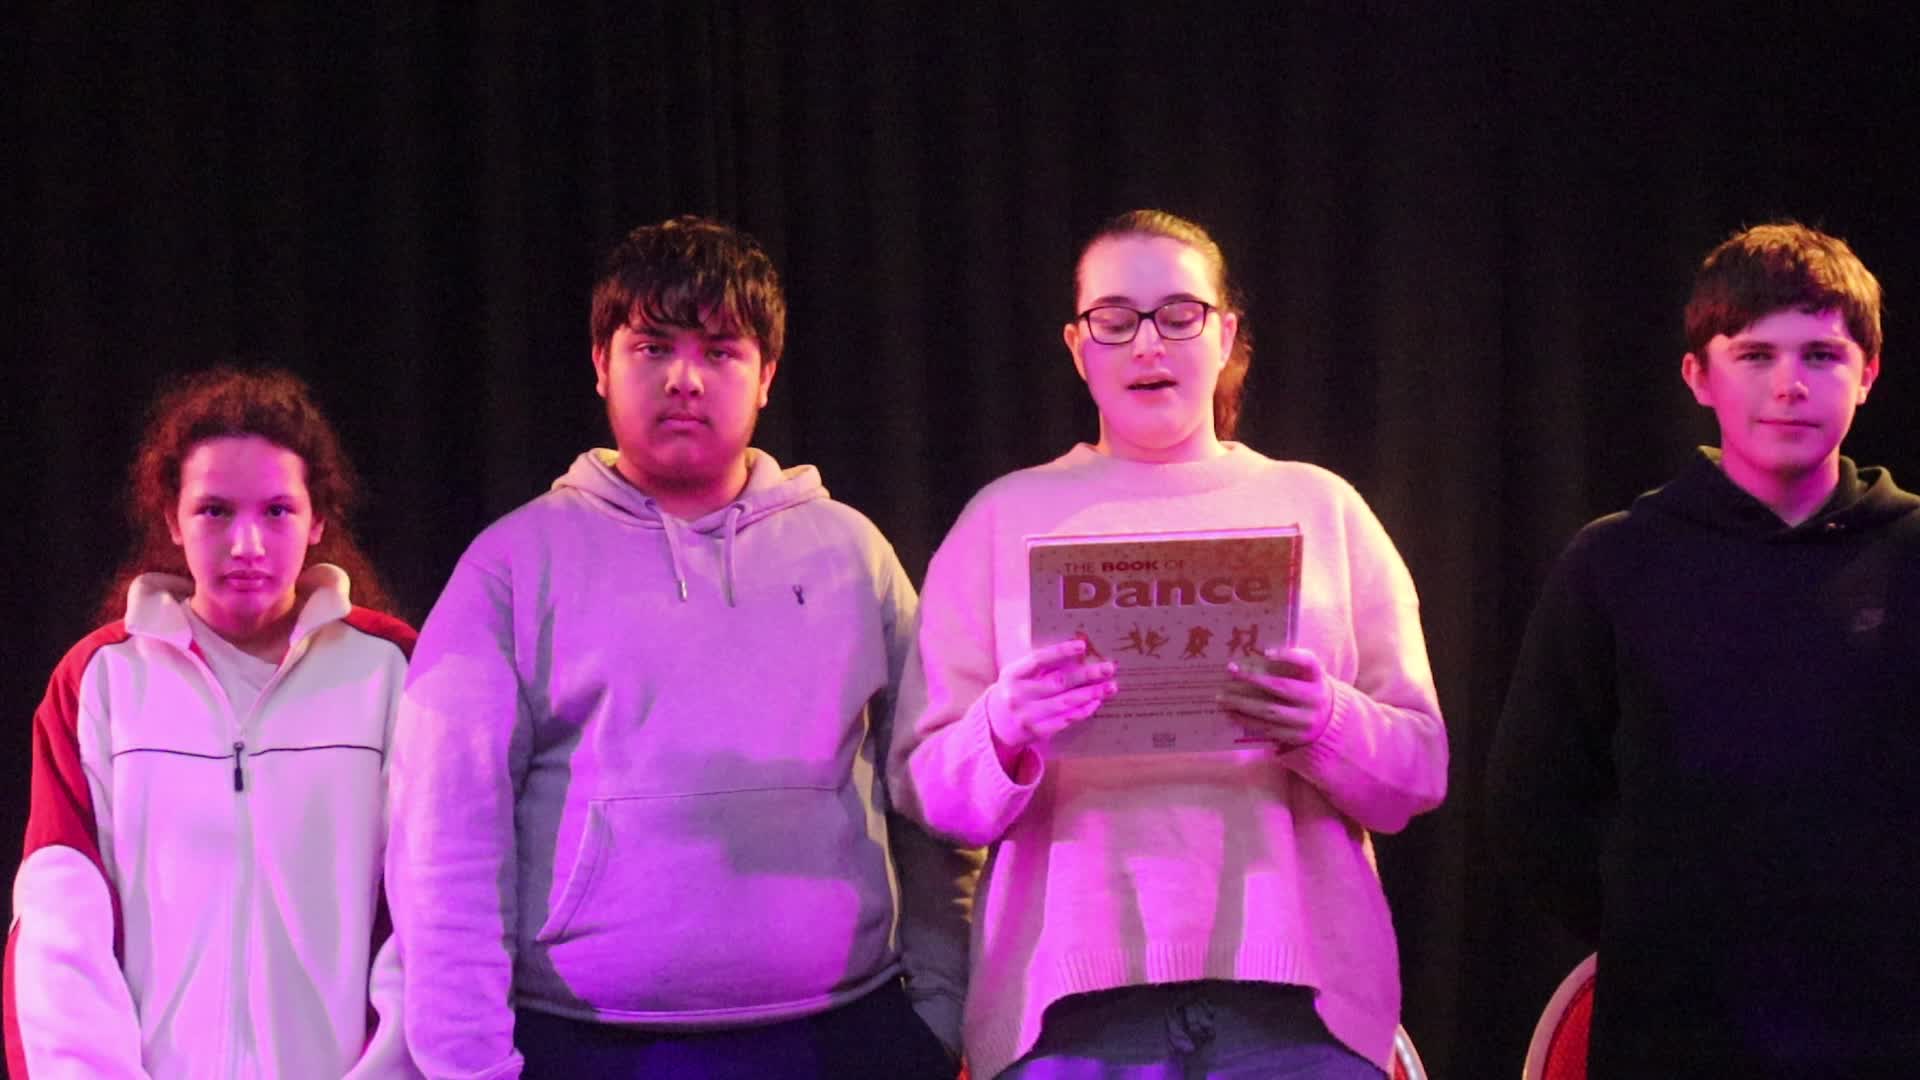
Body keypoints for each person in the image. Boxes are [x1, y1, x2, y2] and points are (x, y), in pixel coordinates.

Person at [387, 215, 973, 1079]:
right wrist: (468, 1066)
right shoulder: (513, 564)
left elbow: (930, 790)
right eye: (652, 347)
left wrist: (944, 1011)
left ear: (767, 376)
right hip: (587, 1048)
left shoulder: (852, 552)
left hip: (843, 1039)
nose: (685, 379)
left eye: (720, 351)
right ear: (601, 364)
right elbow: (445, 838)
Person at [889, 209, 1448, 1079]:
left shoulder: (1322, 507)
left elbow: (1418, 772)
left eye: (1179, 315)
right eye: (1115, 319)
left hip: (1299, 1010)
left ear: (1224, 335)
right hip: (1071, 1014)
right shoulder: (1002, 518)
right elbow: (928, 792)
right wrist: (1003, 727)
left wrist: (1326, 722)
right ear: (1078, 348)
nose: (1148, 343)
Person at [1489, 221, 1920, 1074]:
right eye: (1755, 355)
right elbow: (1532, 803)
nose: (1789, 384)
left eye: (1822, 355)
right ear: (1698, 376)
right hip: (1673, 1031)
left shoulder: (1909, 554)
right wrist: (1654, 922)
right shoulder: (1616, 561)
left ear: (1869, 374)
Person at [3, 367, 417, 1078]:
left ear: (318, 519)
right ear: (172, 518)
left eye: (277, 511)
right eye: (215, 511)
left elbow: (432, 915)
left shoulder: (391, 674)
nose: (246, 543)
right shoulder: (100, 682)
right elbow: (58, 926)